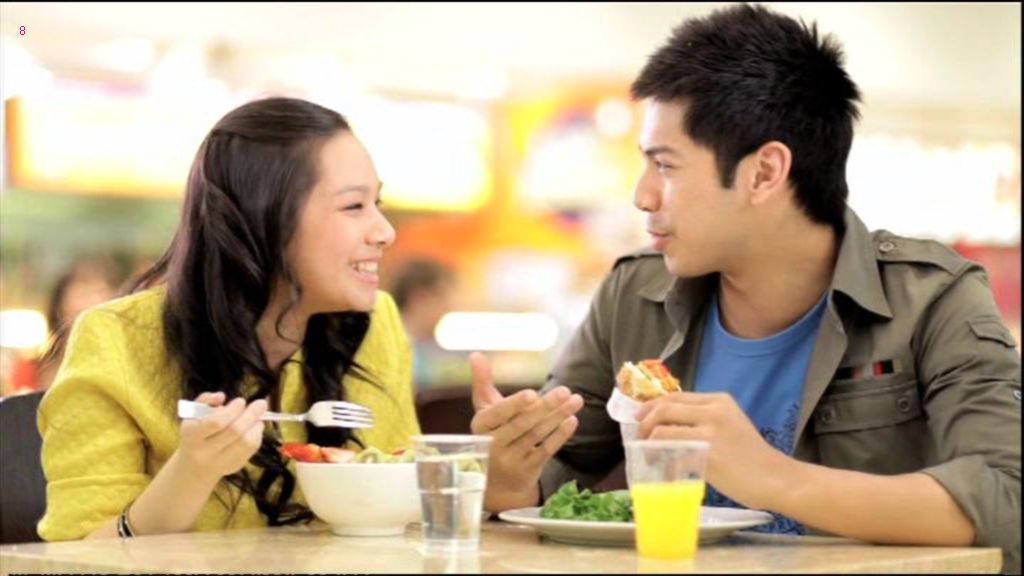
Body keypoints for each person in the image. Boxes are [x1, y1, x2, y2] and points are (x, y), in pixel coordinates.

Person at [469, 4, 1021, 573]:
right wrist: (510, 477)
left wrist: (773, 477)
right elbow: (557, 478)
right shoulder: (634, 295)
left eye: (666, 166)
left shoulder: (932, 300)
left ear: (764, 173)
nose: (642, 196)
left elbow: (1008, 498)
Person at [37, 97, 419, 541]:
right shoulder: (115, 340)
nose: (385, 231)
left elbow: (407, 509)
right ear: (264, 216)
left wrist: (489, 484)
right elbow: (76, 557)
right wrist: (193, 471)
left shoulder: (373, 323)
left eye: (377, 202)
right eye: (354, 206)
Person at [5, 256, 120, 395]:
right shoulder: (30, 370)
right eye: (84, 294)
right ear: (60, 306)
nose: (92, 303)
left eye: (100, 293)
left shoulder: (121, 373)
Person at [389, 258, 458, 389]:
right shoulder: (392, 346)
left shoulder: (426, 344)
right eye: (443, 297)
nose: (449, 307)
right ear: (420, 297)